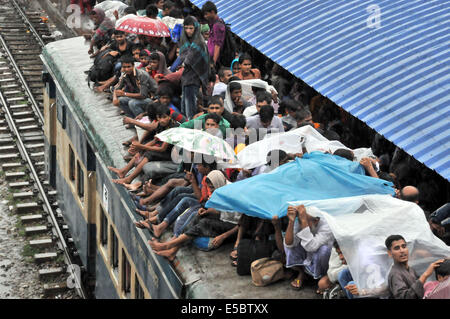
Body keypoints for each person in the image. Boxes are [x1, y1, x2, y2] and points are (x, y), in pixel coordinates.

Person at [148, 171, 241, 261]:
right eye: (210, 188)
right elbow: (222, 211)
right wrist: (207, 211)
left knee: (204, 223)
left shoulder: (232, 195)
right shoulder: (220, 188)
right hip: (224, 219)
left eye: (212, 188)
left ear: (218, 183)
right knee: (195, 215)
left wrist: (223, 236)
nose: (211, 190)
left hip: (234, 227)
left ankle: (168, 246)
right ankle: (173, 249)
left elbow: (241, 224)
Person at [108, 104, 179, 185]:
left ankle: (129, 179)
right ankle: (123, 171)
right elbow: (155, 141)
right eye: (160, 118)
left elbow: (162, 148)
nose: (162, 120)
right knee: (143, 150)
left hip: (173, 155)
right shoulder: (161, 124)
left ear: (169, 116)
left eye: (164, 117)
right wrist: (139, 148)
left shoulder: (173, 127)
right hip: (165, 149)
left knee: (149, 153)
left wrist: (141, 146)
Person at [284, 205, 334, 290]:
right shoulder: (301, 219)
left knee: (324, 250)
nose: (301, 223)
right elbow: (288, 244)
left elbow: (311, 247)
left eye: (306, 220)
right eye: (300, 220)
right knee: (289, 244)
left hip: (324, 260)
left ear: (316, 220)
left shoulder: (327, 225)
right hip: (309, 254)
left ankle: (324, 277)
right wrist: (291, 222)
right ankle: (302, 273)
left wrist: (304, 221)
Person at [385, 234, 445, 299]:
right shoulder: (395, 274)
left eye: (404, 246)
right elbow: (404, 297)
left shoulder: (410, 269)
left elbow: (420, 287)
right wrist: (425, 275)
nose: (402, 251)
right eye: (397, 248)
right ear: (390, 253)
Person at [179, 16, 210, 119]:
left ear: (196, 28)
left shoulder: (199, 42)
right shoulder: (185, 41)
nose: (188, 31)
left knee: (190, 110)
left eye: (191, 28)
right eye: (186, 28)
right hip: (186, 78)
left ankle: (193, 131)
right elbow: (183, 57)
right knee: (184, 107)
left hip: (193, 78)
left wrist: (183, 63)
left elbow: (188, 60)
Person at [202, 1, 225, 66]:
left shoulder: (217, 25)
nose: (205, 16)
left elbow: (217, 45)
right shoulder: (213, 23)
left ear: (212, 12)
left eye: (206, 14)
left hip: (213, 60)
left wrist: (213, 63)